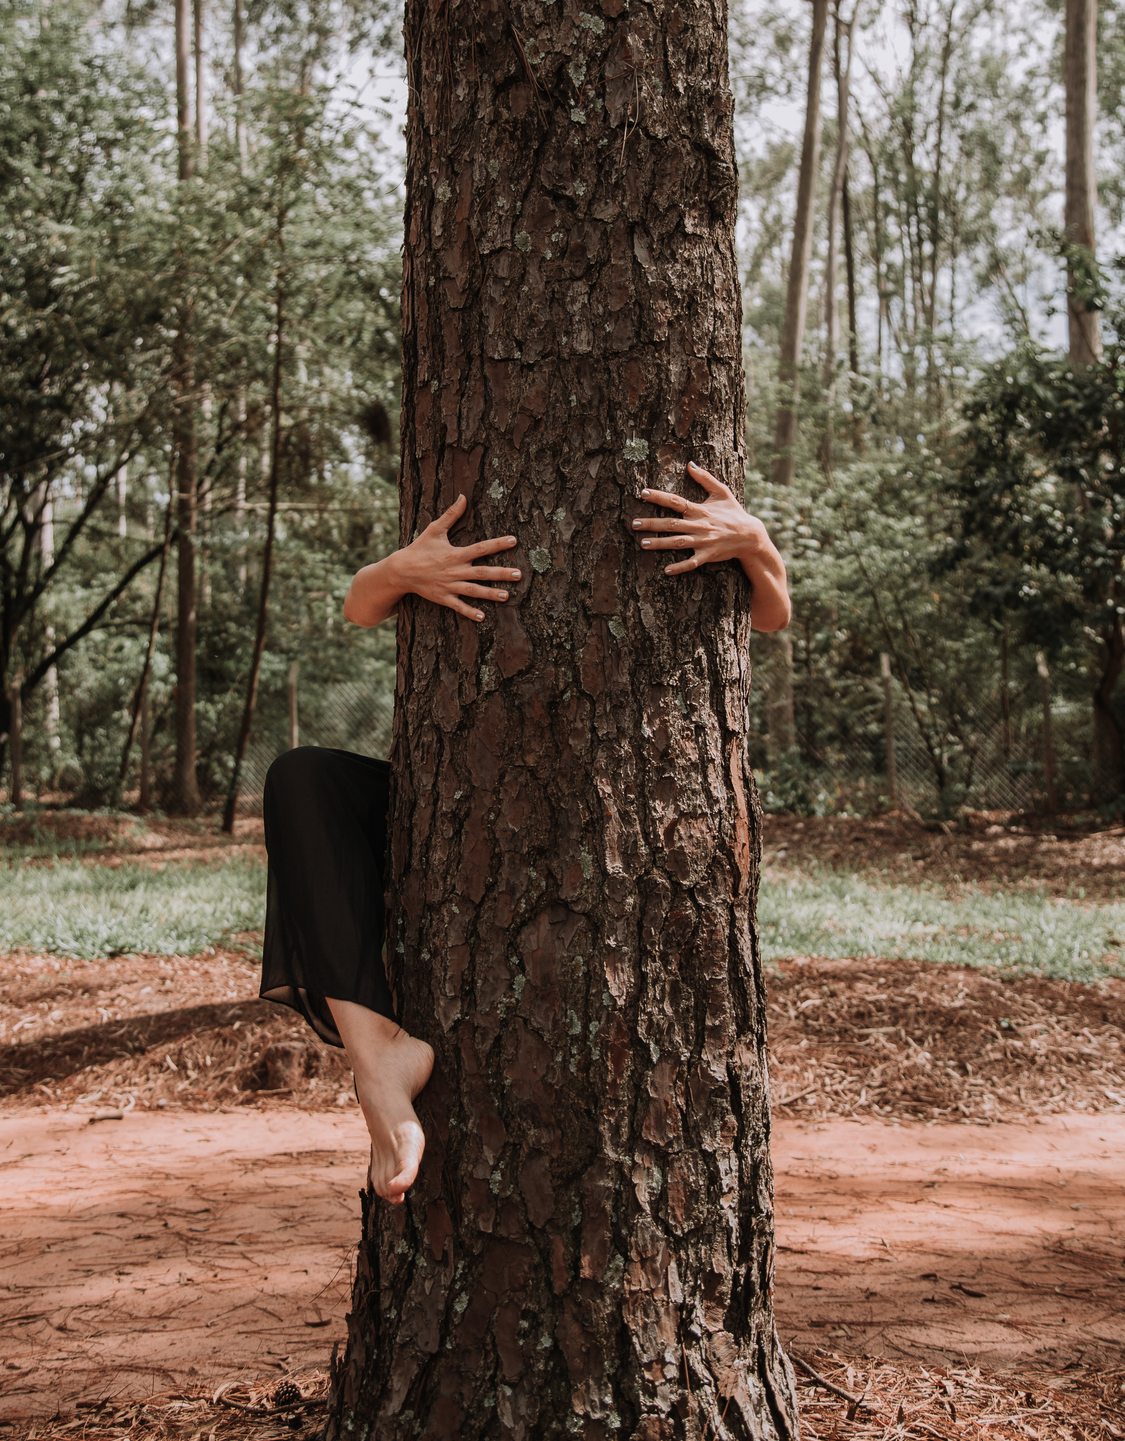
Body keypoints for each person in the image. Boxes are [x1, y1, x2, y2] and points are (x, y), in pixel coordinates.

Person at [259, 463, 790, 1205]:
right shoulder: (449, 503)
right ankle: (376, 1056)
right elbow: (358, 606)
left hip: (611, 811)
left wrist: (757, 541)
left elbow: (771, 615)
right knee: (300, 778)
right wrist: (398, 569)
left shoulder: (713, 515)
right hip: (461, 797)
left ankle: (381, 1074)